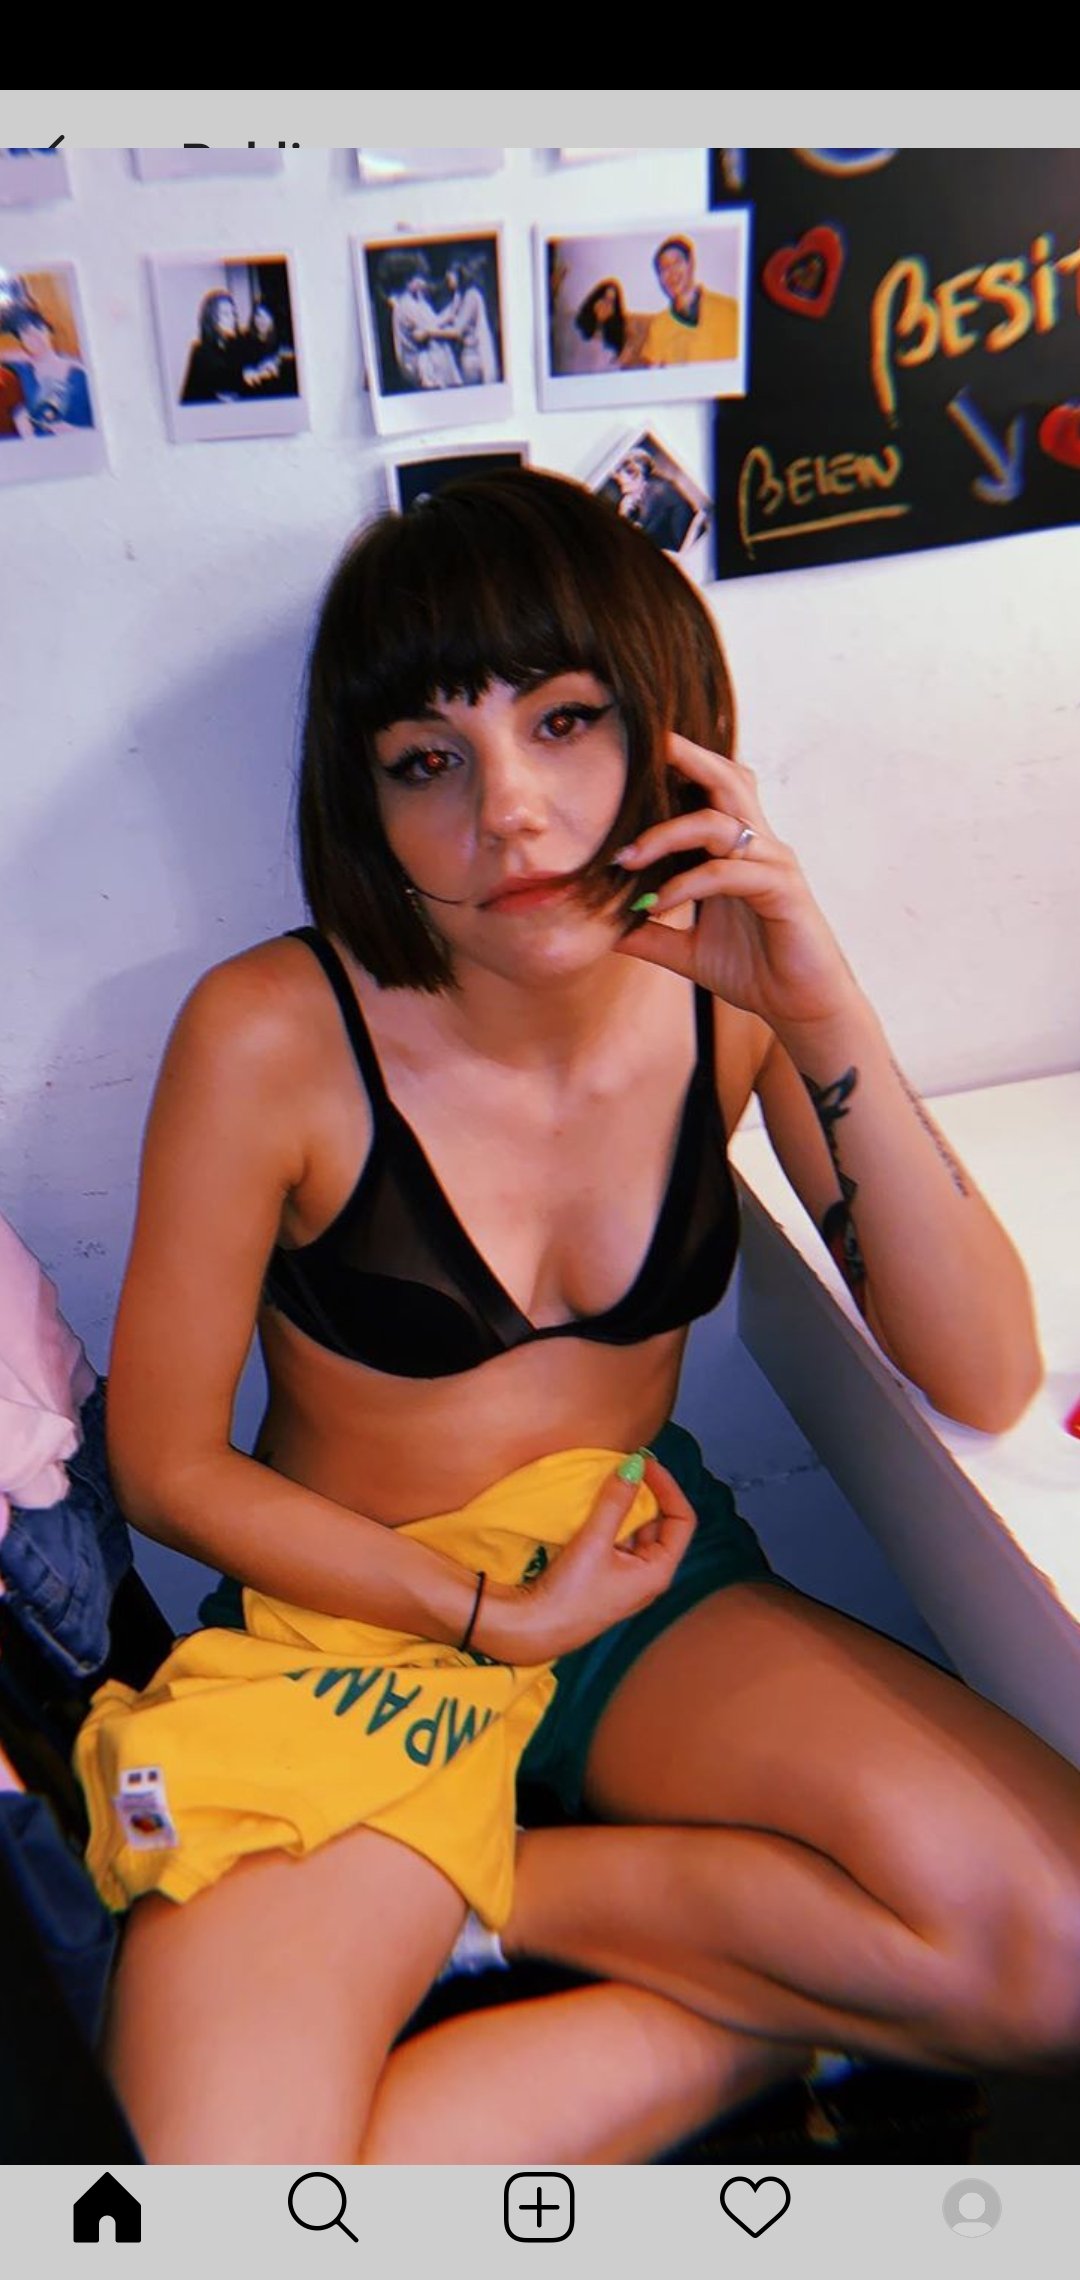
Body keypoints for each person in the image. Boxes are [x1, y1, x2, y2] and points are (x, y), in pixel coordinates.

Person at [78, 470, 1080, 2166]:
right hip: (352, 1631)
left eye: (564, 722)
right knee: (216, 2214)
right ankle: (790, 1999)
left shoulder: (731, 994)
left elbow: (985, 1367)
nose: (512, 817)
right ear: (363, 800)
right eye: (428, 761)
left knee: (1057, 1960)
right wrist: (483, 1612)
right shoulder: (268, 1033)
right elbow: (168, 1465)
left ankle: (498, 1899)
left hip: (633, 1584)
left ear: (668, 728)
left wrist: (822, 1000)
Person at [642, 236, 740, 366]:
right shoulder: (659, 325)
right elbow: (652, 369)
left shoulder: (730, 310)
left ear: (691, 264)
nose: (672, 273)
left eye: (676, 263)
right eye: (664, 269)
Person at [3, 305, 93, 432]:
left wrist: (72, 430)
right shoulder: (23, 370)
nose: (35, 336)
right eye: (26, 332)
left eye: (39, 328)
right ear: (21, 340)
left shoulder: (78, 373)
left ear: (49, 332)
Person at [385, 263, 462, 393]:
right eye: (419, 279)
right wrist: (452, 310)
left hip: (425, 354)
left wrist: (452, 309)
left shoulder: (419, 299)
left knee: (443, 350)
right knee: (439, 352)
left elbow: (434, 321)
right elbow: (429, 328)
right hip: (415, 361)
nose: (423, 283)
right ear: (408, 282)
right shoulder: (405, 304)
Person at [608, 446, 697, 554]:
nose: (623, 491)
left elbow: (641, 534)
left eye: (623, 484)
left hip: (692, 545)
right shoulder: (644, 493)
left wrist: (623, 515)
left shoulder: (657, 490)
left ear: (636, 474)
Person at [434, 261, 500, 386]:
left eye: (450, 275)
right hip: (466, 353)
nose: (448, 280)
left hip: (476, 354)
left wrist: (429, 332)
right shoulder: (458, 296)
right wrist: (428, 324)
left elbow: (457, 330)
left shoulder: (472, 296)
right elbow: (443, 317)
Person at [180, 292, 245, 405]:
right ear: (212, 318)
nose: (232, 318)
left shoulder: (238, 347)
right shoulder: (200, 352)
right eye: (226, 314)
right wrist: (217, 399)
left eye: (233, 313)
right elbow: (191, 396)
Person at [571, 278, 649, 372]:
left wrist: (623, 357)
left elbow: (615, 368)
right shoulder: (577, 327)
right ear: (595, 300)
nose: (606, 305)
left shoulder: (615, 335)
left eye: (611, 302)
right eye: (604, 298)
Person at [239, 301, 297, 398]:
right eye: (258, 316)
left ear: (272, 319)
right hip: (255, 394)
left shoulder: (282, 342)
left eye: (266, 316)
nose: (261, 320)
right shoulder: (245, 343)